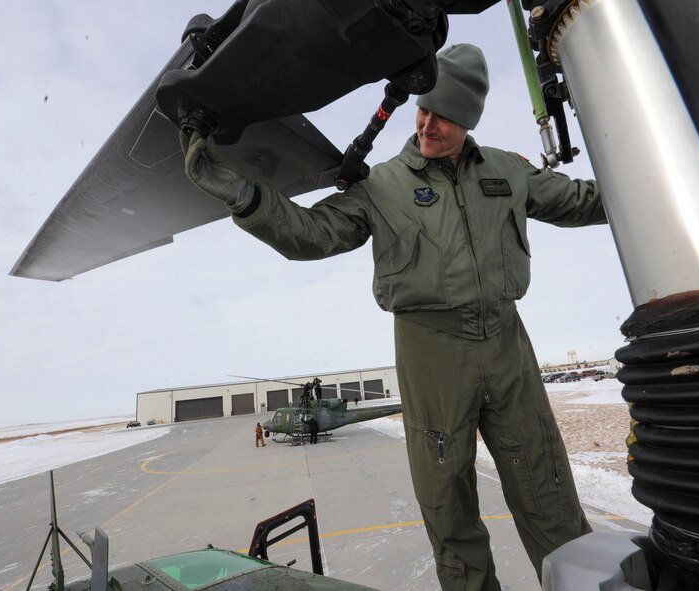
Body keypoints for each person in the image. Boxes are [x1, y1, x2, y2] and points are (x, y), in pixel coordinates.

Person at [182, 44, 602, 591]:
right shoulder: (382, 184)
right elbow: (313, 234)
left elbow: (582, 201)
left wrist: (654, 171)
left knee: (547, 491)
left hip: (506, 342)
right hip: (431, 351)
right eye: (422, 109)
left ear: (469, 119)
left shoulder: (507, 171)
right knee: (448, 505)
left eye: (443, 116)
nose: (427, 124)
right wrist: (245, 196)